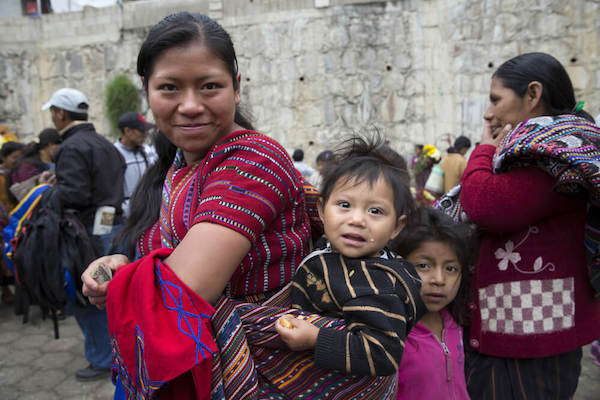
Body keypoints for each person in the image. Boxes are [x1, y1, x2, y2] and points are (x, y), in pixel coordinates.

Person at [80, 12, 311, 399]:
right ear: (147, 91)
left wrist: (123, 281)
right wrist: (120, 264)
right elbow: (166, 257)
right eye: (169, 87)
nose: (189, 105)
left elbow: (187, 286)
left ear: (236, 88)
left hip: (261, 372)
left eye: (209, 86)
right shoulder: (179, 168)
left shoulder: (255, 160)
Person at [439, 52, 600, 399]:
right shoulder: (537, 151)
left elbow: (485, 205)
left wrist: (482, 150)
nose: (488, 112)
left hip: (530, 343)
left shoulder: (558, 155)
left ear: (532, 94)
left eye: (496, 99)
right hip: (520, 332)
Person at [276, 135, 426, 376]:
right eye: (344, 205)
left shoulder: (376, 283)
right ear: (322, 210)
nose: (356, 220)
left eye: (375, 211)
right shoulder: (330, 249)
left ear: (397, 227)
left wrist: (316, 338)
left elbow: (383, 353)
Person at [41, 87, 126, 381]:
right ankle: (117, 351)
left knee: (89, 294)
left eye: (53, 112)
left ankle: (103, 358)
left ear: (60, 113)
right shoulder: (104, 143)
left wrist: (49, 191)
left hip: (88, 235)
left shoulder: (71, 147)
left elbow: (75, 194)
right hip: (112, 228)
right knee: (112, 294)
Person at [392, 207, 472, 399]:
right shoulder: (392, 333)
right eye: (424, 266)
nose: (439, 279)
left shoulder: (457, 325)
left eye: (451, 268)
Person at [113, 111, 157, 219]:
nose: (145, 134)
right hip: (125, 218)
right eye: (141, 131)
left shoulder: (147, 152)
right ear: (127, 131)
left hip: (148, 214)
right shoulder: (113, 153)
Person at [0, 141, 24, 304]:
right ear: (5, 157)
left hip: (13, 219)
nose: (17, 161)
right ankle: (7, 290)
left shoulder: (15, 172)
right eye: (14, 157)